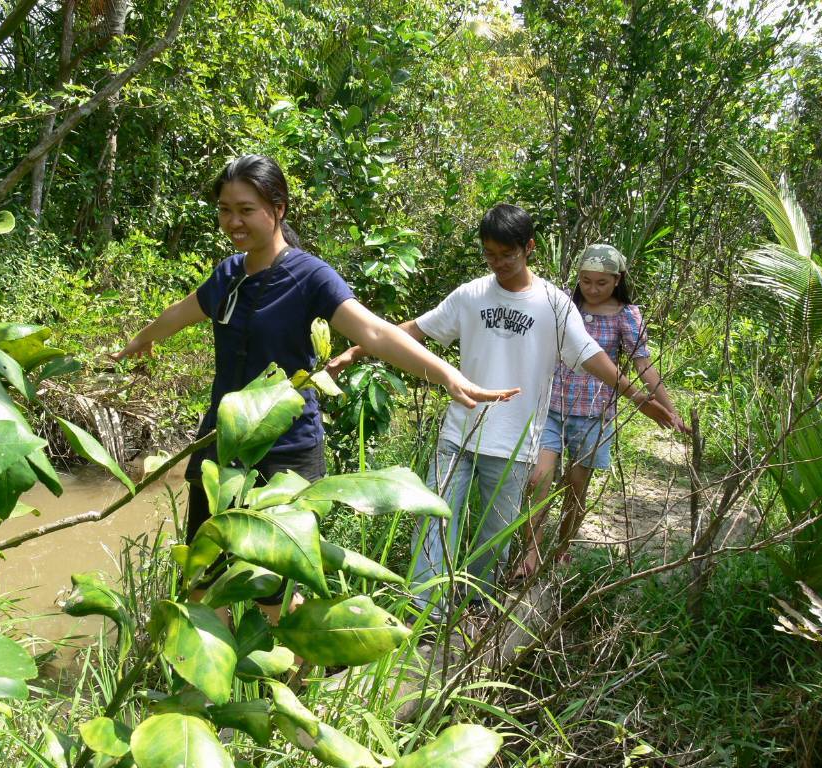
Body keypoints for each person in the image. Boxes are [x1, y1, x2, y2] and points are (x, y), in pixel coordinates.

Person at [112, 154, 518, 622]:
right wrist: (140, 340)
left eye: (246, 209)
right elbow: (183, 312)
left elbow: (376, 333)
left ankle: (298, 678)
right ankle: (209, 687)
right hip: (221, 447)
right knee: (205, 574)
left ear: (278, 208)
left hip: (286, 451)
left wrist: (449, 376)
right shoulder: (228, 275)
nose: (233, 221)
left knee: (275, 588)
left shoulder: (310, 276)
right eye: (225, 209)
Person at [328, 204, 683, 615]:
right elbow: (414, 332)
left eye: (506, 255)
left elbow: (590, 355)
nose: (497, 263)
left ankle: (478, 609)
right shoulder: (471, 295)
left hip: (515, 440)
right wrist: (356, 350)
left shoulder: (553, 304)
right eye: (490, 254)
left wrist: (638, 398)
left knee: (495, 535)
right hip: (459, 431)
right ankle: (427, 611)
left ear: (528, 248)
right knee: (433, 519)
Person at [515, 243, 685, 578]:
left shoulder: (626, 315)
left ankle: (562, 549)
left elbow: (643, 365)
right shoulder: (563, 301)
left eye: (601, 283)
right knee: (539, 479)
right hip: (550, 406)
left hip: (594, 414)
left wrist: (670, 408)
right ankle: (530, 555)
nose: (592, 289)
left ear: (618, 280)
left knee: (577, 488)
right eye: (586, 280)